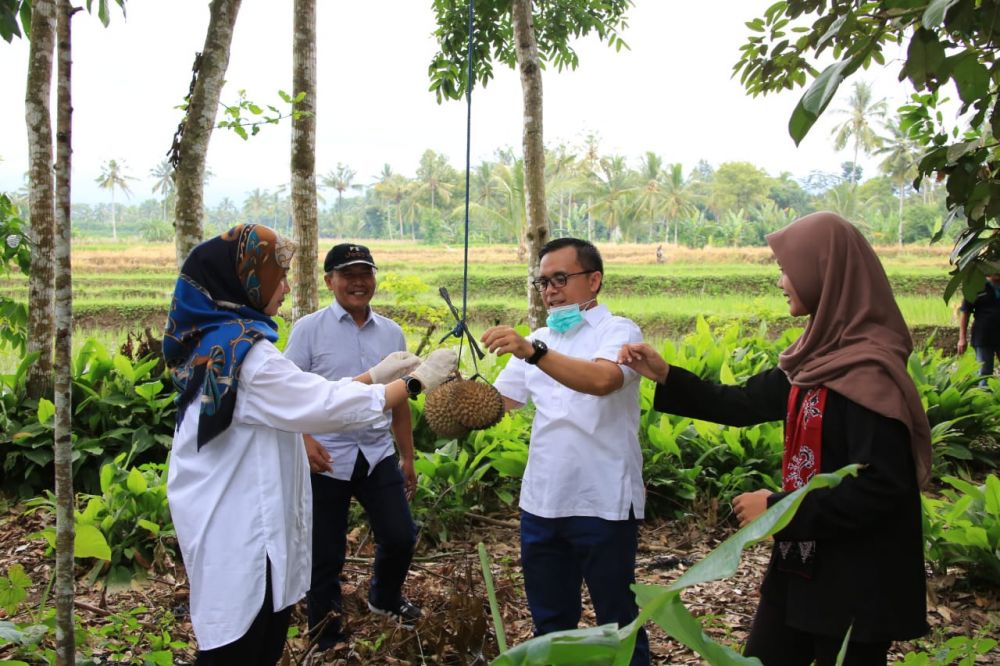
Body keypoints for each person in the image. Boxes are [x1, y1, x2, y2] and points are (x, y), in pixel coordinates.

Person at [619, 212, 930, 666]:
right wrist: (664, 374)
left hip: (856, 583)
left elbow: (882, 488)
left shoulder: (867, 375)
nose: (781, 281)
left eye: (788, 269)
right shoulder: (816, 360)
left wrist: (780, 508)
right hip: (801, 566)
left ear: (823, 274)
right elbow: (742, 403)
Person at [163, 224, 457, 665]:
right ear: (242, 279)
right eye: (275, 276)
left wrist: (373, 376)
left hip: (238, 512)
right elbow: (319, 404)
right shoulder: (248, 356)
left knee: (252, 632)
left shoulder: (221, 341)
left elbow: (297, 395)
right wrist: (415, 383)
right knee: (240, 643)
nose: (283, 287)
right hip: (242, 524)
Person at [480, 237, 650, 666]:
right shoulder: (538, 338)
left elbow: (601, 380)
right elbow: (500, 403)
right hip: (543, 501)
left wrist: (532, 352)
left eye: (561, 278)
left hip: (603, 501)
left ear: (594, 281)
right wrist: (442, 383)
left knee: (619, 621)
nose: (551, 289)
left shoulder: (619, 331)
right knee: (551, 624)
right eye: (543, 282)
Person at [283, 243, 421, 649]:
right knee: (324, 552)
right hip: (326, 454)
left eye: (366, 274)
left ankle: (384, 598)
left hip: (376, 452)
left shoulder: (391, 332)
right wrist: (304, 440)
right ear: (330, 282)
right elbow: (289, 395)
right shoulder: (309, 329)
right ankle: (326, 633)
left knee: (399, 535)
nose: (359, 283)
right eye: (348, 275)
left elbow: (399, 398)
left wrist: (408, 456)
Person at [958, 272, 1000, 385]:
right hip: (983, 337)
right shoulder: (976, 286)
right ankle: (983, 400)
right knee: (984, 373)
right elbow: (965, 312)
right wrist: (962, 338)